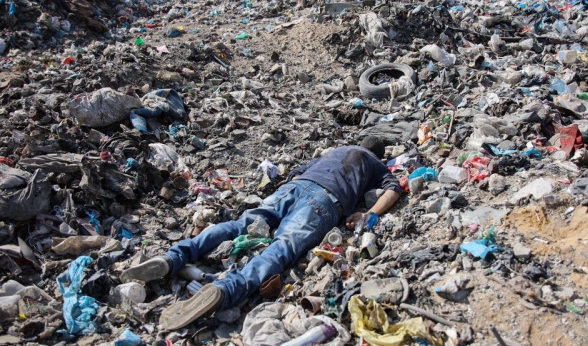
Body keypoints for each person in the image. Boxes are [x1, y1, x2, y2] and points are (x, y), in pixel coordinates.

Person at [120, 136, 402, 330]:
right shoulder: (372, 161)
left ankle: (174, 256)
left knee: (240, 225)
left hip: (294, 188)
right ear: (375, 151)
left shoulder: (337, 150)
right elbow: (394, 188)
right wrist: (369, 213)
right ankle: (226, 290)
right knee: (282, 247)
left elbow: (297, 172)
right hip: (323, 202)